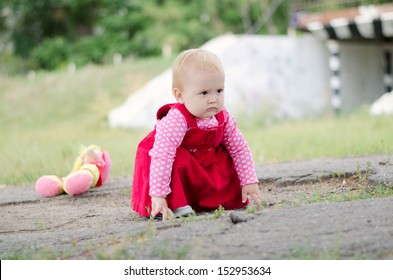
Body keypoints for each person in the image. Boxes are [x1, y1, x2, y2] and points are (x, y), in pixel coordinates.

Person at [131, 48, 261, 221]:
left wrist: (248, 180)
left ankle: (212, 198)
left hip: (202, 165)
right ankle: (173, 203)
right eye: (204, 93)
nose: (213, 99)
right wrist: (159, 195)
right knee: (179, 158)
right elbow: (162, 156)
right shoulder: (177, 119)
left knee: (226, 155)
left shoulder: (222, 117)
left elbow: (239, 148)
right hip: (168, 165)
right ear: (180, 95)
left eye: (219, 91)